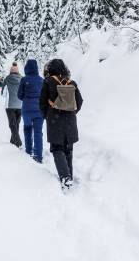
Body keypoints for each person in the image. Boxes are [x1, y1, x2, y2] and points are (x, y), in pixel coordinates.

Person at [39, 59, 83, 190]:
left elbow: (42, 103)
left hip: (54, 121)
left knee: (57, 149)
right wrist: (71, 112)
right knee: (68, 149)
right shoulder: (71, 83)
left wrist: (47, 115)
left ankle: (65, 177)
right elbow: (79, 102)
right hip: (70, 121)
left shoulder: (47, 82)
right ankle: (69, 176)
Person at [17, 59, 45, 162]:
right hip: (39, 110)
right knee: (38, 132)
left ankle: (28, 151)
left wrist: (26, 98)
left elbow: (19, 95)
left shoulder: (24, 79)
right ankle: (38, 156)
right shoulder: (41, 80)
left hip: (27, 109)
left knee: (27, 129)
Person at [0, 62, 23, 147]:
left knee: (12, 124)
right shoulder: (22, 79)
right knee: (16, 123)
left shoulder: (7, 79)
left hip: (9, 105)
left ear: (10, 71)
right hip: (20, 104)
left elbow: (3, 94)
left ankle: (18, 141)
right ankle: (12, 141)